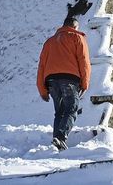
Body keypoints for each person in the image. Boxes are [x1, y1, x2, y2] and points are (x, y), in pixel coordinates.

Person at [36, 16, 91, 151]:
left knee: (59, 112)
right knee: (71, 109)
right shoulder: (77, 38)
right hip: (70, 79)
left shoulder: (49, 42)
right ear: (75, 27)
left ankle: (56, 143)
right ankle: (60, 137)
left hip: (52, 81)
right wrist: (85, 84)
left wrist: (42, 90)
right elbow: (84, 62)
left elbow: (41, 66)